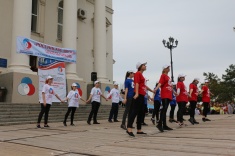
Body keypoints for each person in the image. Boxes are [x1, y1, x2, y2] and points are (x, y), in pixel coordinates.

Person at [126, 62, 154, 137]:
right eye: (144, 65)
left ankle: (139, 129)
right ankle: (129, 128)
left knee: (141, 112)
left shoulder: (141, 75)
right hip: (138, 95)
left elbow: (144, 85)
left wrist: (152, 90)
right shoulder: (138, 73)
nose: (145, 66)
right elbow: (137, 83)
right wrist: (137, 93)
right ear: (140, 67)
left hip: (142, 95)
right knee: (134, 111)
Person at [154, 65, 173, 132]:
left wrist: (174, 92)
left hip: (169, 94)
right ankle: (160, 124)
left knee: (165, 109)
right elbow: (160, 83)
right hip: (165, 94)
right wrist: (156, 89)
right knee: (164, 109)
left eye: (169, 68)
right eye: (167, 68)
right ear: (164, 69)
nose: (168, 69)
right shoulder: (163, 75)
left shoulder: (168, 77)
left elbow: (170, 85)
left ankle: (164, 125)